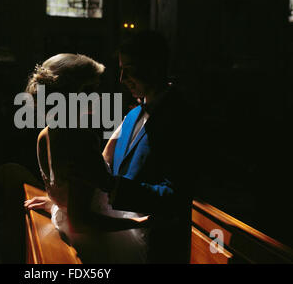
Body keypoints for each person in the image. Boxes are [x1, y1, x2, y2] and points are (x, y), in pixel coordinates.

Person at [24, 53, 151, 263]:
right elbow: (81, 221)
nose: (98, 96)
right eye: (90, 89)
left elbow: (69, 190)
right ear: (68, 94)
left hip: (65, 230)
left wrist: (52, 203)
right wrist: (139, 222)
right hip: (94, 244)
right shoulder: (80, 137)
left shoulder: (45, 134)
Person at [100, 31, 195, 263]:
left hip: (156, 249)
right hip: (121, 240)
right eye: (120, 69)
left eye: (129, 69)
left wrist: (116, 188)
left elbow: (176, 197)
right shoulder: (132, 115)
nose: (122, 79)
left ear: (154, 66)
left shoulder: (181, 116)